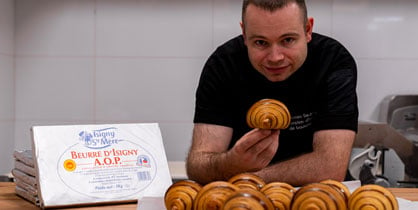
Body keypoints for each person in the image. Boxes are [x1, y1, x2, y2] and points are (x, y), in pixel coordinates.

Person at [186, 0, 358, 186]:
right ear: (244, 34)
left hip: (315, 195)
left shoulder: (333, 61)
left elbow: (330, 167)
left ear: (308, 29)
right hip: (244, 199)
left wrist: (248, 178)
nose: (275, 57)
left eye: (288, 40)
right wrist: (230, 162)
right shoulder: (223, 65)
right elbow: (198, 166)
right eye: (261, 42)